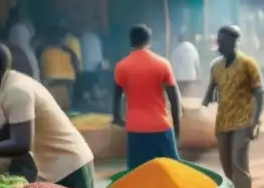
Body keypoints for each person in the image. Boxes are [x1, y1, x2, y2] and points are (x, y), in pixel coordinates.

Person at [0, 42, 95, 188]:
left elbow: (20, 145)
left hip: (70, 167)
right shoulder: (8, 83)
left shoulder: (16, 91)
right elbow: (6, 132)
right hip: (57, 167)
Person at [204, 25, 264, 188]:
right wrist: (204, 101)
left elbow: (260, 92)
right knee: (226, 165)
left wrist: (256, 122)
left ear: (233, 41)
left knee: (239, 164)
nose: (219, 45)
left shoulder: (248, 63)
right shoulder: (216, 65)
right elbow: (211, 87)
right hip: (223, 121)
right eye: (218, 41)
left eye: (222, 42)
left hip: (243, 121)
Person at [114, 25, 182, 170]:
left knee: (138, 174)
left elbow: (117, 95)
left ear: (131, 42)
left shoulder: (122, 66)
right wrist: (177, 126)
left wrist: (117, 117)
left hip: (136, 128)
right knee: (172, 172)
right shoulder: (162, 64)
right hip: (161, 127)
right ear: (149, 40)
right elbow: (174, 98)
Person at [40, 28, 80, 111]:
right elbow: (77, 66)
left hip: (51, 82)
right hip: (67, 81)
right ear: (61, 40)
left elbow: (40, 70)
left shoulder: (43, 51)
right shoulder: (69, 51)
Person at [79, 26, 105, 109]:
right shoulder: (95, 38)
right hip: (96, 66)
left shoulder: (83, 38)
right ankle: (95, 101)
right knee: (94, 84)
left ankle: (90, 102)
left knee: (88, 87)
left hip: (86, 67)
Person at [171, 31, 201, 98]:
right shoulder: (193, 49)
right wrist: (199, 76)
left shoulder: (176, 50)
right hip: (190, 77)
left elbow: (172, 65)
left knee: (179, 95)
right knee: (188, 95)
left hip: (179, 78)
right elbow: (197, 65)